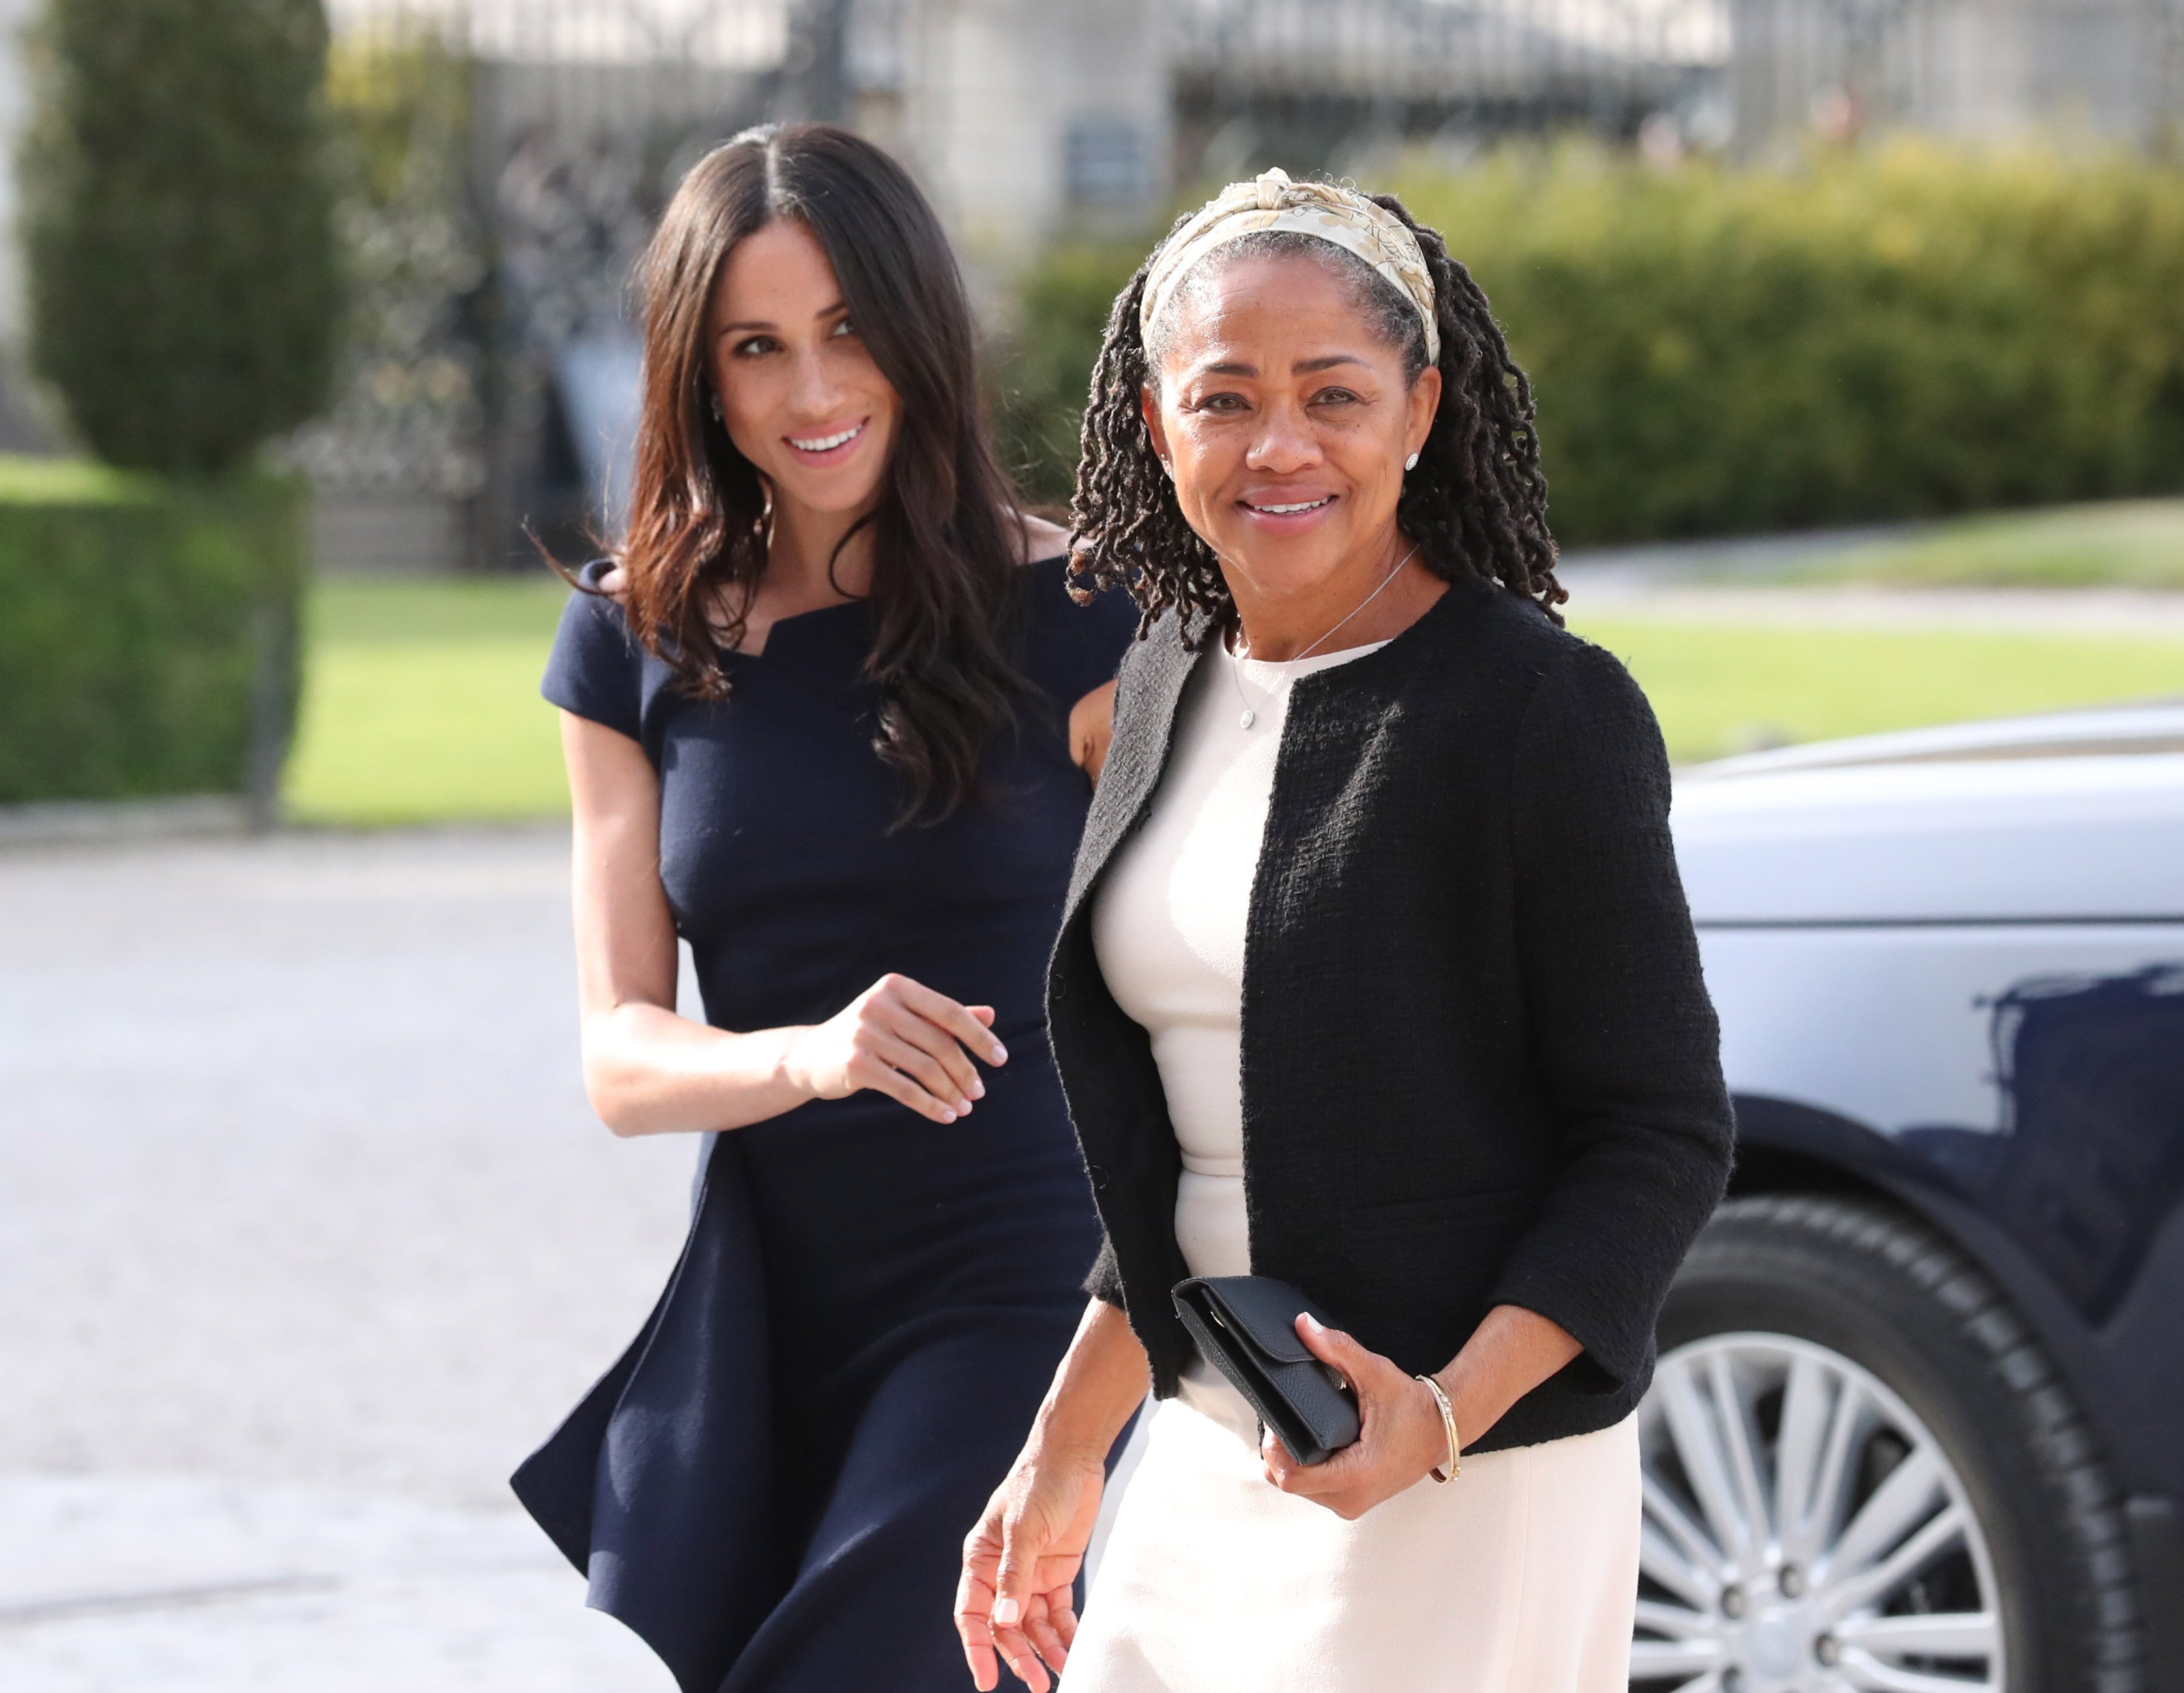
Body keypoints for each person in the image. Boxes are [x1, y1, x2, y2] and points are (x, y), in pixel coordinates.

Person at [954, 169, 1736, 1693]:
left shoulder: (1538, 713)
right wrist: (1062, 1453)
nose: (1282, 446)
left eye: (1335, 393)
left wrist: (1440, 1413)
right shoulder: (1164, 684)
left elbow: (1660, 1134)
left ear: (1422, 407)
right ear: (1157, 424)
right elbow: (1188, 1152)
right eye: (1226, 398)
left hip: (1460, 1468)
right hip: (1207, 1449)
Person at [509, 125, 1137, 1693]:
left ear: (919, 335)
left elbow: (1213, 983)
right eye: (757, 347)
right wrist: (810, 1054)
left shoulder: (1085, 620)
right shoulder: (630, 648)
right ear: (699, 376)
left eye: (850, 331)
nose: (811, 392)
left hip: (1025, 1278)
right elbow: (622, 1060)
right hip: (777, 1297)